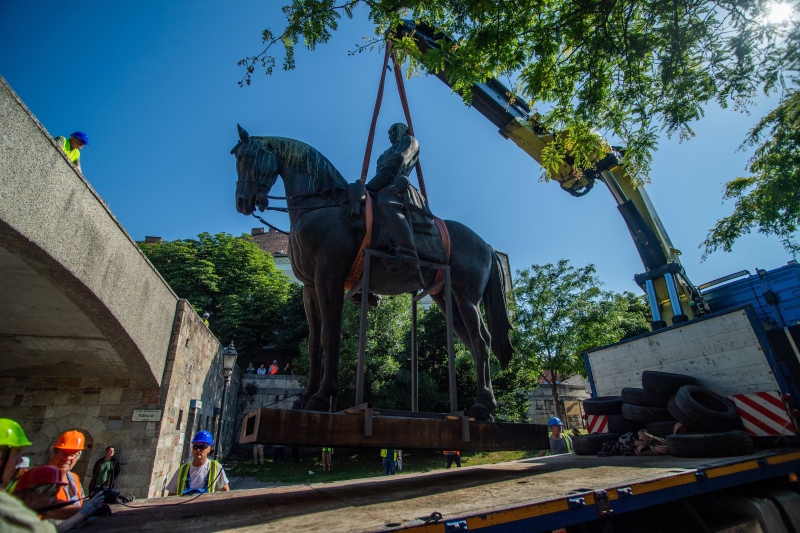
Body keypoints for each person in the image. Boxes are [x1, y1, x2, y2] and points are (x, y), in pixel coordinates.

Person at [366, 123, 422, 284]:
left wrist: (372, 186)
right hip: (381, 185)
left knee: (386, 202)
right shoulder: (382, 155)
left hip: (398, 185)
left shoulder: (410, 141)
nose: (390, 134)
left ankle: (408, 255)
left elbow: (398, 162)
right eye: (389, 132)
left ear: (404, 131)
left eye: (394, 130)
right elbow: (380, 173)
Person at [13, 466, 103, 532]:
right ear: (29, 497)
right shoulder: (15, 519)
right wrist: (83, 513)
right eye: (51, 494)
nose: (56, 499)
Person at [166, 430, 229, 495]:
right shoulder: (182, 470)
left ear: (209, 449)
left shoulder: (216, 467)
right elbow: (171, 494)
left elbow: (226, 492)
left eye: (202, 447)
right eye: (195, 447)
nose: (198, 450)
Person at [46, 430, 87, 520]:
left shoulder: (74, 478)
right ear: (52, 454)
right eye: (63, 453)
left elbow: (81, 501)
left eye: (72, 454)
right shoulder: (40, 477)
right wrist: (84, 511)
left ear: (78, 457)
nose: (67, 458)